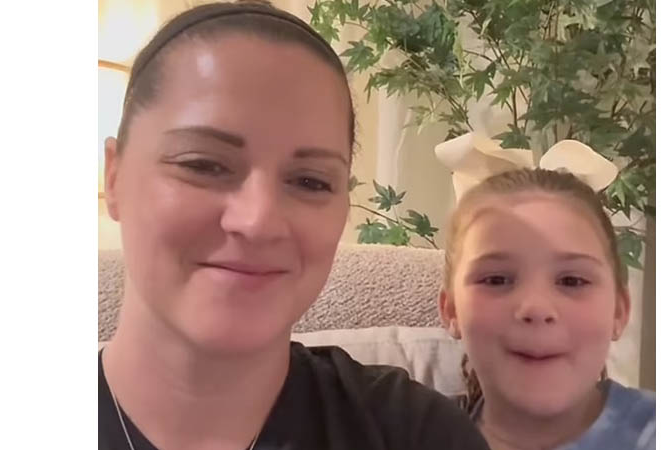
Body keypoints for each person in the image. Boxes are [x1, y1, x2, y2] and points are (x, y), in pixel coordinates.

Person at [98, 1, 490, 449]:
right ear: (114, 177)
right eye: (203, 164)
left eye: (310, 181)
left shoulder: (417, 433)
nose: (258, 221)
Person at [438, 169, 655, 449]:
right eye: (496, 280)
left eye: (572, 281)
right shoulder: (413, 433)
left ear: (619, 311)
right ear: (451, 309)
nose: (536, 307)